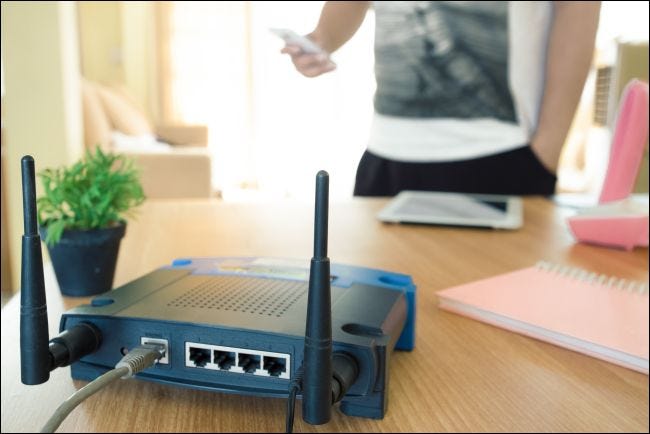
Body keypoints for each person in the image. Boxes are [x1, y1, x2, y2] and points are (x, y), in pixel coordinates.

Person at [281, 1, 601, 196]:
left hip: (501, 152)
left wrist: (548, 148)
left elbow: (577, 6)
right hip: (385, 155)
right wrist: (323, 37)